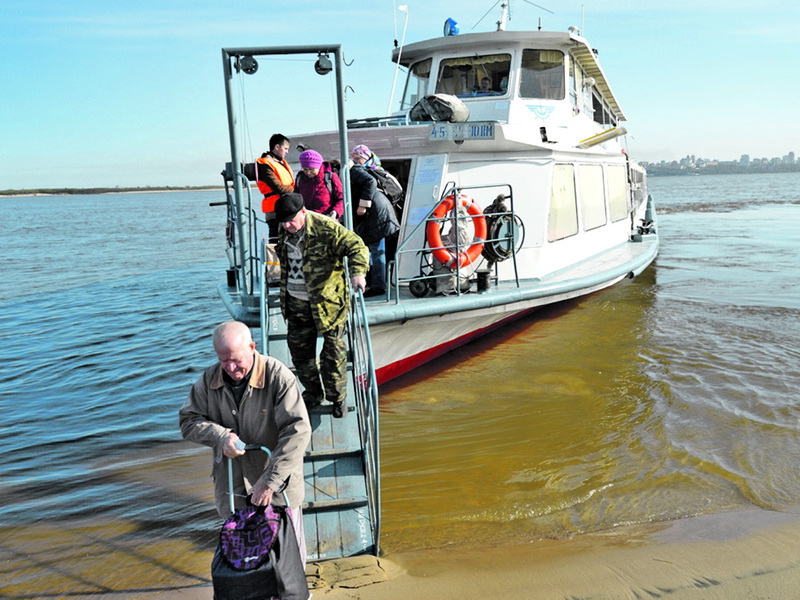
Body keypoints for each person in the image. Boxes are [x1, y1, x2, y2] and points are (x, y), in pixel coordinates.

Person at [178, 321, 311, 563]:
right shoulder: (208, 380)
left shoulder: (278, 376)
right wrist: (220, 436)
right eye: (223, 360)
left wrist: (269, 481)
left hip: (277, 486)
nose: (229, 367)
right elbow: (188, 422)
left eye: (236, 359)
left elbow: (298, 430)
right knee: (244, 557)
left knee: (287, 556)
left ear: (252, 346)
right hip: (233, 488)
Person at [274, 193, 369, 418]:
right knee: (300, 354)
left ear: (303, 212)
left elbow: (357, 247)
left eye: (291, 220)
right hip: (296, 303)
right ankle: (313, 393)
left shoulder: (326, 228)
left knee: (333, 354)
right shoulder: (285, 228)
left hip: (328, 304)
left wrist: (357, 274)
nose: (287, 225)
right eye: (283, 221)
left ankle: (338, 398)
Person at [350, 144, 401, 297]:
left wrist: (362, 206)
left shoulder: (356, 171)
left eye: (357, 158)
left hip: (376, 215)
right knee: (374, 251)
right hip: (381, 214)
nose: (355, 160)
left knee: (376, 251)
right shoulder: (372, 169)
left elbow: (369, 183)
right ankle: (375, 283)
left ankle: (378, 286)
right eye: (354, 158)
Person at [256, 133, 295, 241]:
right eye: (286, 148)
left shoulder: (280, 163)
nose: (287, 152)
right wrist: (298, 190)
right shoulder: (264, 164)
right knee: (276, 243)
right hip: (275, 211)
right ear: (277, 147)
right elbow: (278, 188)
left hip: (288, 207)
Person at [294, 149, 344, 221]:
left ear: (318, 166)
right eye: (305, 169)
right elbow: (296, 198)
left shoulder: (330, 177)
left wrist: (335, 212)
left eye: (311, 169)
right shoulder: (300, 179)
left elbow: (341, 198)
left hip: (328, 220)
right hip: (307, 221)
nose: (308, 172)